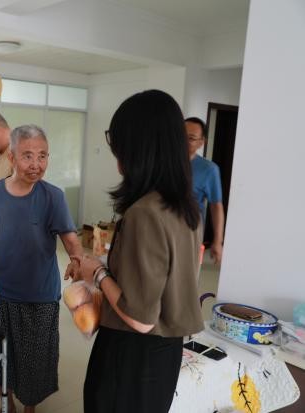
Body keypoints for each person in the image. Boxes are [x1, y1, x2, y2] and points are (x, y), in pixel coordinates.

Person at [71, 90, 204, 413]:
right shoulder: (186, 208)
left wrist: (97, 273)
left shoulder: (144, 213)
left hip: (131, 356)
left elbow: (141, 317)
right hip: (166, 353)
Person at [0, 124, 83, 413]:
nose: (36, 164)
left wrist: (75, 259)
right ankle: (6, 404)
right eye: (28, 156)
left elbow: (70, 238)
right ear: (12, 157)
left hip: (40, 295)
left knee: (35, 363)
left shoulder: (53, 196)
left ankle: (28, 409)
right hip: (2, 293)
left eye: (42, 156)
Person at [185, 116, 225, 264]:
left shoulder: (209, 169)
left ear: (201, 142)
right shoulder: (162, 161)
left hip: (190, 232)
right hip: (160, 228)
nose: (183, 140)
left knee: (185, 274)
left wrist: (217, 241)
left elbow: (216, 206)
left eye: (191, 138)